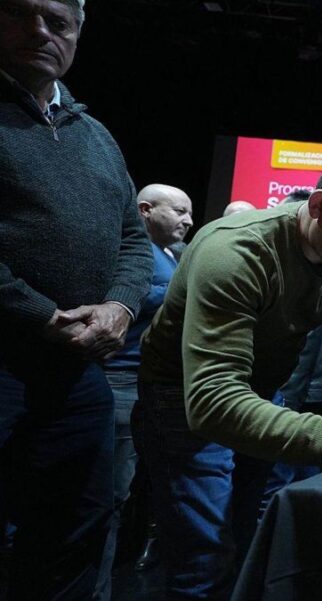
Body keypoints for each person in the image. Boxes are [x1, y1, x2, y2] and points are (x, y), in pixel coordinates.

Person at [134, 141, 322, 600]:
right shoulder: (235, 251)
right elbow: (213, 402)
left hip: (257, 392)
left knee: (261, 537)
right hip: (184, 397)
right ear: (319, 205)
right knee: (204, 558)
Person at [0, 1, 156, 598]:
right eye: (22, 14)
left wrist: (119, 305)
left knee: (82, 528)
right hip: (8, 361)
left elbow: (133, 241)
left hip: (77, 370)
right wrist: (40, 316)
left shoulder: (95, 135)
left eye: (58, 21)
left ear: (78, 33)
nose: (42, 31)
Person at [97, 184, 192, 599]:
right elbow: (117, 295)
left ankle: (126, 572)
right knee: (112, 495)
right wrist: (189, 291)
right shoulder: (123, 252)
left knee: (139, 488)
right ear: (145, 210)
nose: (189, 220)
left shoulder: (172, 256)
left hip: (152, 386)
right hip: (120, 382)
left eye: (191, 212)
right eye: (180, 211)